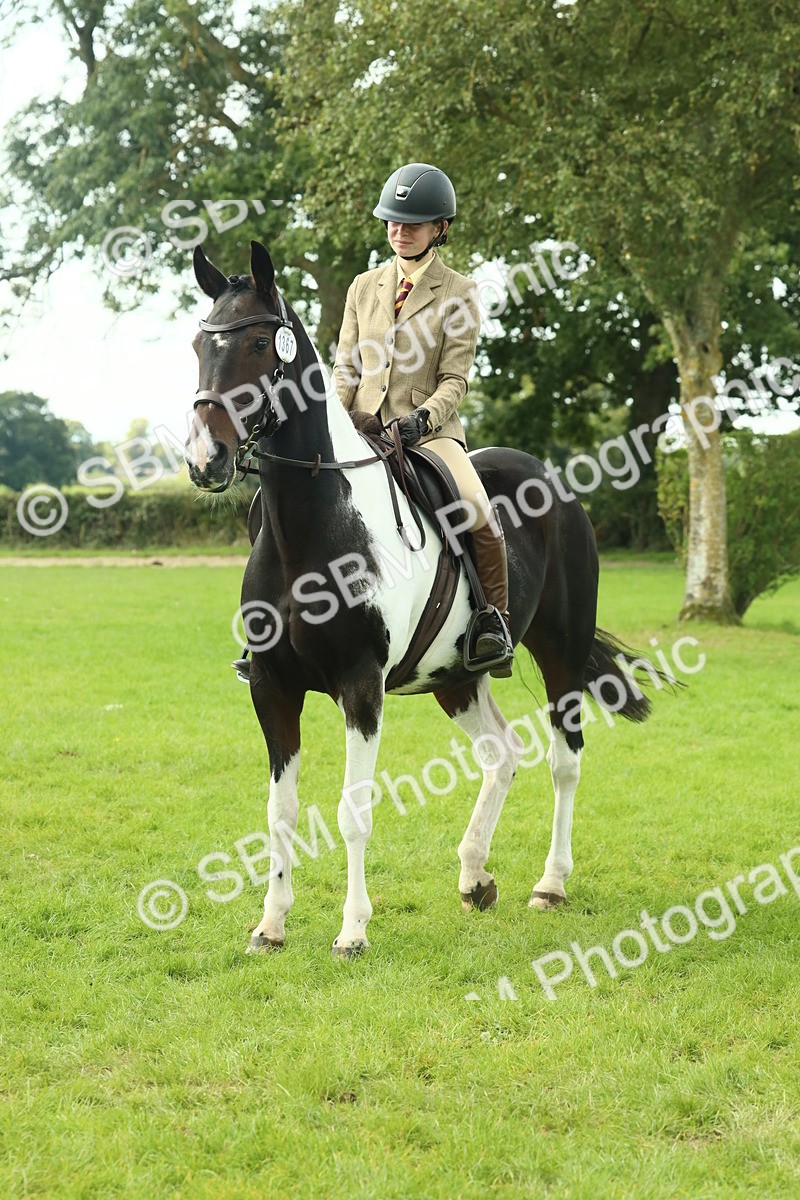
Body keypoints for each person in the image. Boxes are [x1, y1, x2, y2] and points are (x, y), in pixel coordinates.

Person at [333, 162, 514, 676]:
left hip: (428, 435)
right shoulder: (363, 287)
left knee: (478, 512)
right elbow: (346, 366)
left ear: (440, 229)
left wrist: (420, 421)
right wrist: (337, 419)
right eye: (393, 220)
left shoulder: (459, 292)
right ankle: (276, 630)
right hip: (361, 429)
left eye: (412, 223)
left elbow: (456, 380)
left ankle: (491, 623)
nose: (399, 230)